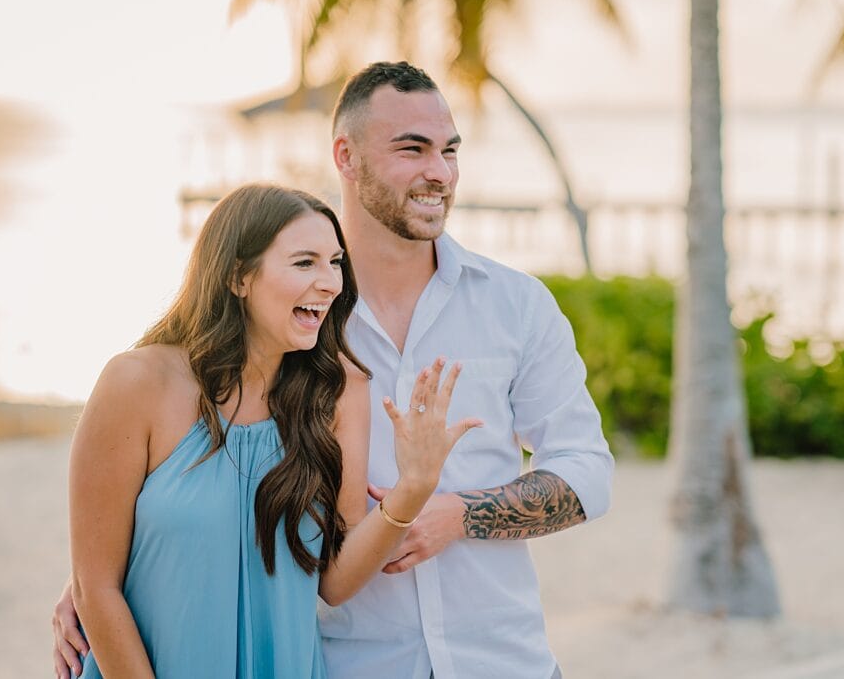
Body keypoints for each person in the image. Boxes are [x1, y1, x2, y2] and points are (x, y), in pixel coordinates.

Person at [56, 62, 614, 678]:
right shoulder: (302, 329)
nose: (440, 171)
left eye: (450, 151)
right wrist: (99, 577)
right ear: (345, 157)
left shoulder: (516, 305)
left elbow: (587, 471)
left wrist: (456, 512)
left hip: (503, 661)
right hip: (356, 664)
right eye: (413, 149)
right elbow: (195, 480)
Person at [64, 183, 481, 678]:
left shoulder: (340, 390)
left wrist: (414, 487)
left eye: (335, 262)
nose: (330, 282)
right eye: (305, 262)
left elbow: (334, 581)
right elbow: (95, 586)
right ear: (239, 276)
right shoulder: (137, 382)